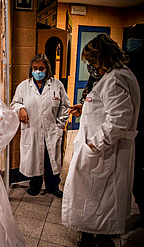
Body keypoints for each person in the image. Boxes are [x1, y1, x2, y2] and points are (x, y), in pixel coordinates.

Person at [62, 34, 140, 247]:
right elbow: (107, 109)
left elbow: (119, 120)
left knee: (97, 200)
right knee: (97, 200)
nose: (90, 66)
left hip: (105, 153)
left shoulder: (114, 79)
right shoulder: (117, 76)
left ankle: (97, 240)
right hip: (104, 153)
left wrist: (94, 144)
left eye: (92, 61)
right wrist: (84, 107)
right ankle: (93, 236)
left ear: (103, 56)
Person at [10, 53, 70, 198]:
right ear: (31, 69)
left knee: (51, 160)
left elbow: (65, 107)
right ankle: (34, 185)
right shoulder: (24, 86)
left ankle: (53, 186)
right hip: (33, 129)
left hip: (51, 129)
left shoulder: (57, 85)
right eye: (35, 68)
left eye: (41, 68)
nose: (38, 71)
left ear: (47, 69)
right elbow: (14, 103)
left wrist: (59, 125)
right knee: (34, 159)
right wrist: (21, 109)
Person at [126, 23, 144, 228]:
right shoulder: (128, 66)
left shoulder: (128, 71)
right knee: (135, 174)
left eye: (135, 38)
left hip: (138, 126)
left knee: (137, 172)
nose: (131, 42)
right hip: (133, 128)